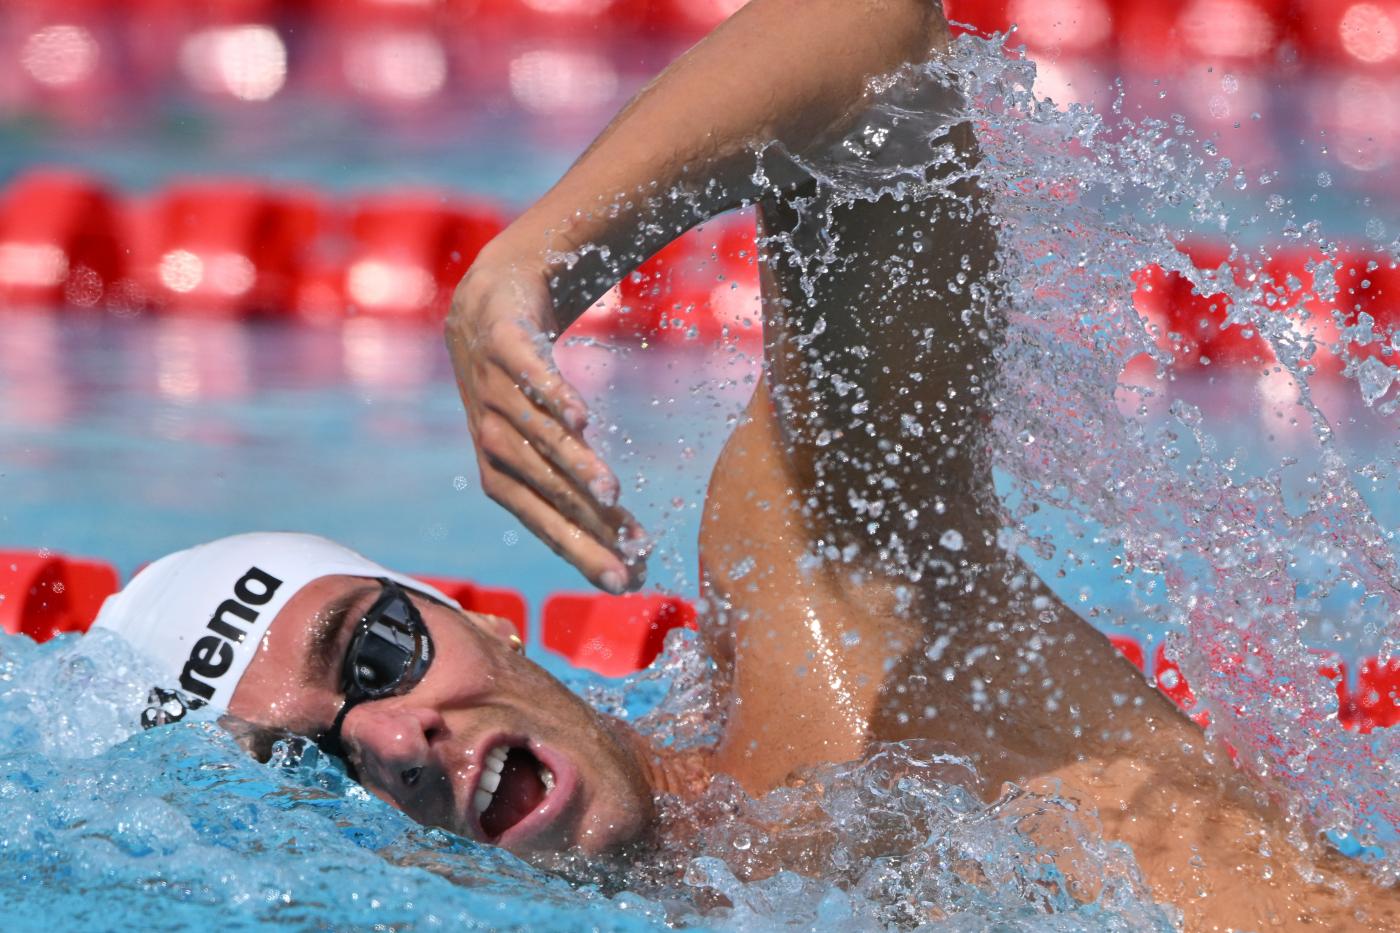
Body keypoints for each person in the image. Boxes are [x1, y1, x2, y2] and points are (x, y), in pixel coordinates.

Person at [95, 1, 1394, 928]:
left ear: (471, 612)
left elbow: (874, 41)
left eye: (372, 651)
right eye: (314, 765)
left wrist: (528, 265)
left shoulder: (822, 626)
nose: (393, 737)